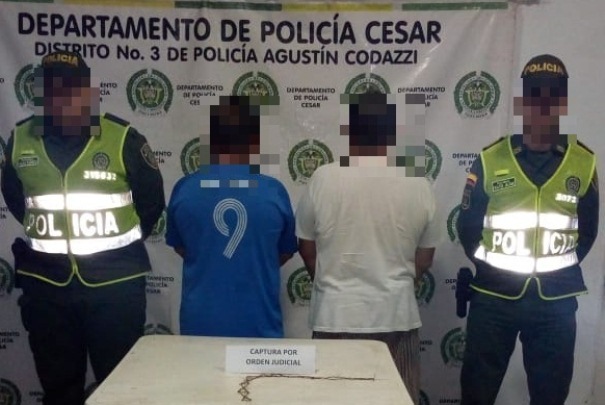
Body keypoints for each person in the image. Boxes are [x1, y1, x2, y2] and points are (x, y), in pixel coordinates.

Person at [0, 51, 165, 405]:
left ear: (89, 93)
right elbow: (17, 200)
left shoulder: (123, 139)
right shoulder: (20, 139)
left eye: (70, 89)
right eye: (51, 89)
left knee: (121, 390)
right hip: (47, 288)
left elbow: (151, 204)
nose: (60, 98)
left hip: (115, 288)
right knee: (59, 390)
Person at [457, 54, 599, 405]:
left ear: (563, 103)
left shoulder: (583, 162)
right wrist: (491, 267)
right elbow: (468, 226)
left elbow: (587, 232)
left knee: (550, 396)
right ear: (522, 102)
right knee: (477, 393)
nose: (542, 105)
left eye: (552, 96)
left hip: (555, 302)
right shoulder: (491, 159)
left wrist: (555, 266)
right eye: (535, 95)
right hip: (494, 297)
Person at [296, 93, 441, 405]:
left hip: (335, 315)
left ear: (349, 129)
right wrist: (395, 285)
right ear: (392, 132)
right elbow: (425, 258)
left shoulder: (323, 178)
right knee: (396, 399)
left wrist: (330, 283)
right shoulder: (418, 182)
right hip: (396, 315)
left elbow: (306, 248)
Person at [166, 95, 297, 338]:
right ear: (255, 142)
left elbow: (181, 246)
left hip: (199, 327)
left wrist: (212, 257)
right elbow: (285, 251)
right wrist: (253, 260)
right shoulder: (274, 191)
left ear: (210, 140)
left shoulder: (185, 189)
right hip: (259, 329)